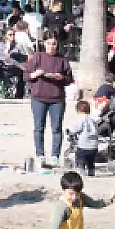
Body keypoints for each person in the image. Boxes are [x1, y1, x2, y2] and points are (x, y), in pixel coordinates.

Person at [24, 34, 74, 167]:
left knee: (57, 128)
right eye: (49, 43)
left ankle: (55, 156)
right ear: (44, 44)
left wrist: (60, 77)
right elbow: (26, 75)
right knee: (39, 128)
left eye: (54, 44)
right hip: (39, 98)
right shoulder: (38, 57)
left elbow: (69, 79)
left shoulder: (62, 59)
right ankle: (40, 154)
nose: (51, 46)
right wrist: (35, 74)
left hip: (57, 99)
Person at [71, 99, 101, 176]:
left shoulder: (81, 119)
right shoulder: (93, 120)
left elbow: (76, 128)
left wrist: (70, 131)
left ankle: (82, 172)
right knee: (91, 161)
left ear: (78, 110)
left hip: (83, 145)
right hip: (94, 146)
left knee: (81, 160)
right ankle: (91, 172)